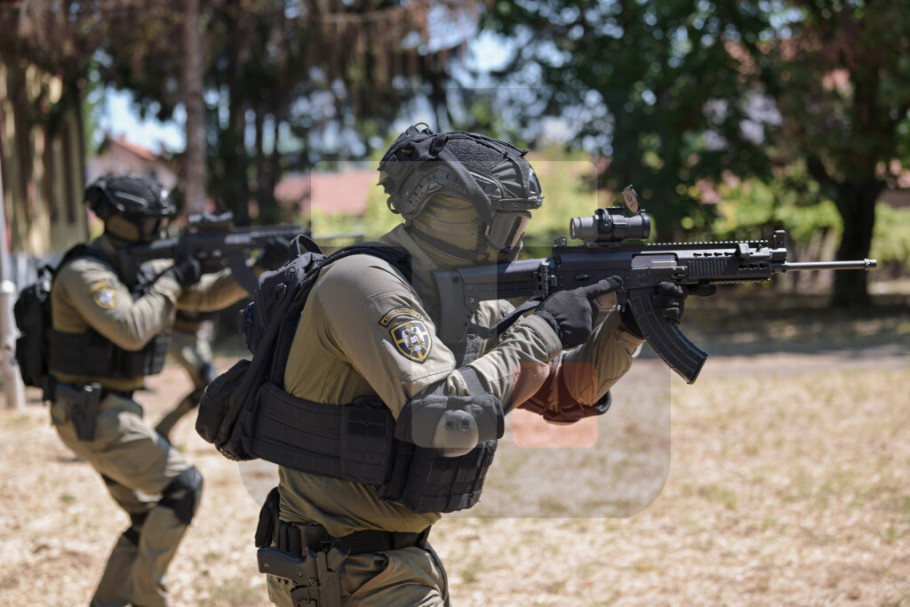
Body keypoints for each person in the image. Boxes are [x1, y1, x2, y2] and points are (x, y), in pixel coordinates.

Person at [256, 125, 704, 607]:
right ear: (454, 212)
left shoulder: (466, 296)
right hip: (342, 572)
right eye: (510, 225)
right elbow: (444, 419)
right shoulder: (363, 283)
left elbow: (564, 395)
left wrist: (627, 326)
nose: (516, 242)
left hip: (393, 564)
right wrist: (545, 329)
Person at [47, 175, 276, 607]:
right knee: (183, 487)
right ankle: (149, 598)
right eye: (150, 222)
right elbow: (131, 328)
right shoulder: (85, 271)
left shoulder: (138, 266)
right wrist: (172, 277)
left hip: (108, 410)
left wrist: (260, 265)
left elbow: (201, 297)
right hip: (88, 412)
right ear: (122, 220)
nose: (158, 230)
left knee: (147, 516)